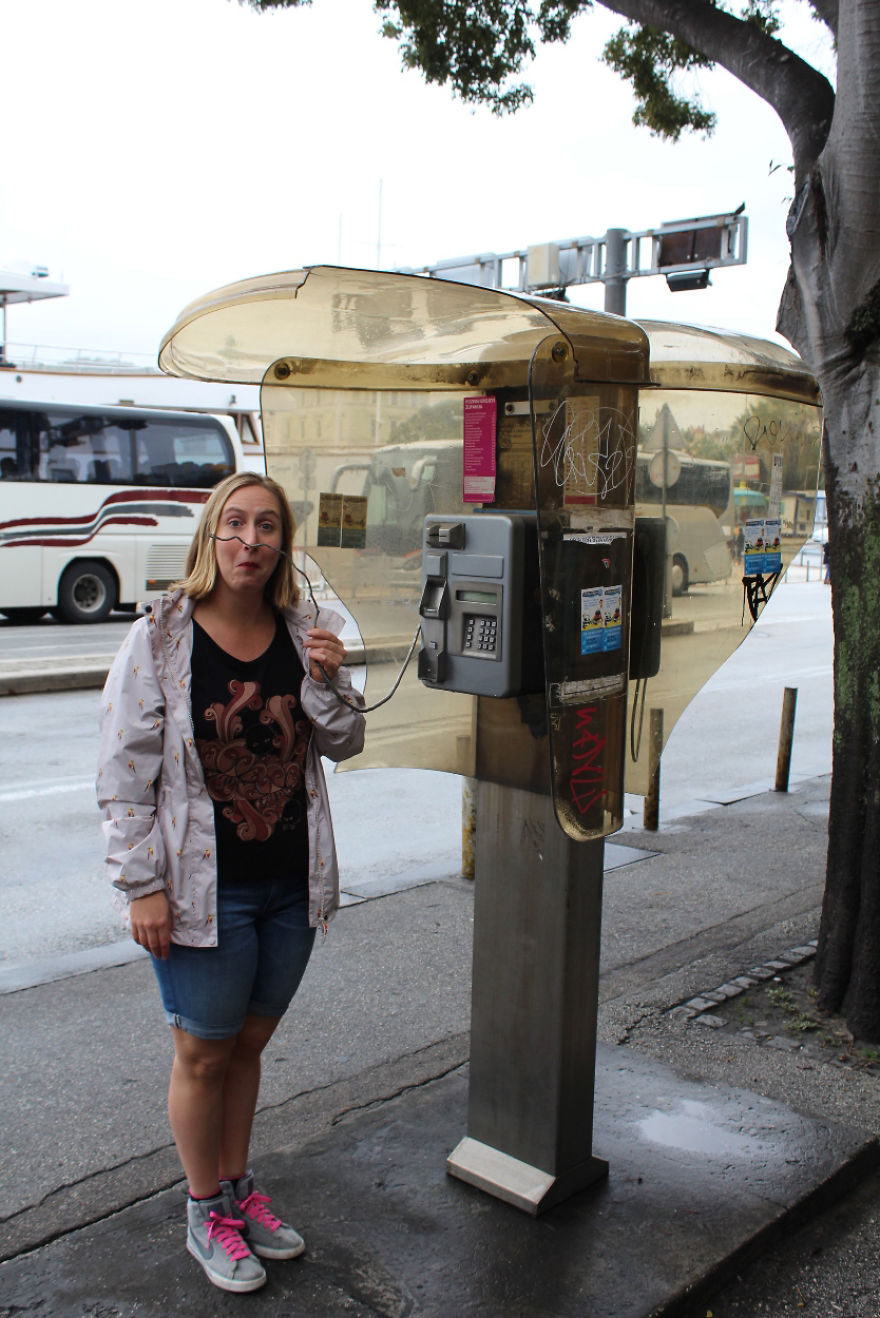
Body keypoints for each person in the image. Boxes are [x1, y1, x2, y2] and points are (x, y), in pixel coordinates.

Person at [97, 471, 366, 1293]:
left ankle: (240, 1190)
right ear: (213, 535)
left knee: (247, 1046)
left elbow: (345, 743)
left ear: (285, 545)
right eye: (236, 524)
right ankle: (203, 1207)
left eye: (269, 527)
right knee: (202, 1055)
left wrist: (327, 679)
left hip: (289, 881)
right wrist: (140, 885)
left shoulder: (303, 631)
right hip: (199, 889)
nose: (251, 541)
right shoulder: (161, 636)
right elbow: (123, 771)